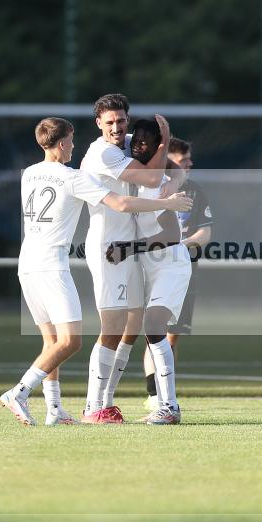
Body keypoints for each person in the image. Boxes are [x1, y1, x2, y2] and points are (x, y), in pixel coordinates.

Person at [0, 117, 191, 427]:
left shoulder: (29, 174)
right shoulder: (73, 177)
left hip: (27, 262)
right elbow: (121, 203)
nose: (74, 146)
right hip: (51, 265)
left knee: (51, 343)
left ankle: (55, 410)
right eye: (71, 140)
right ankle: (19, 392)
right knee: (70, 342)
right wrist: (168, 203)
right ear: (62, 143)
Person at [78, 94, 184, 424]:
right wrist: (168, 196)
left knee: (134, 325)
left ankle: (115, 404)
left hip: (135, 250)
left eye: (121, 121)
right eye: (109, 122)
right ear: (98, 124)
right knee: (112, 326)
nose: (117, 128)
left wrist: (173, 186)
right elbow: (147, 184)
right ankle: (95, 406)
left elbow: (175, 171)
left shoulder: (128, 142)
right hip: (109, 246)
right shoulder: (103, 152)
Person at [105, 119, 192, 424]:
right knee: (131, 329)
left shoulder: (163, 183)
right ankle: (105, 403)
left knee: (155, 326)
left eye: (146, 141)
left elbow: (169, 236)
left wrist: (128, 249)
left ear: (157, 146)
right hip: (146, 266)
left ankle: (169, 406)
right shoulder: (135, 169)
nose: (138, 144)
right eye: (136, 140)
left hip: (170, 264)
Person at [143, 137, 213, 412]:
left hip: (183, 270)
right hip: (149, 266)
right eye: (183, 161)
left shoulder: (195, 191)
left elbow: (206, 233)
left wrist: (178, 247)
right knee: (145, 330)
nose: (189, 164)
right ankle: (153, 395)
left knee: (171, 335)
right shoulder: (148, 187)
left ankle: (163, 394)